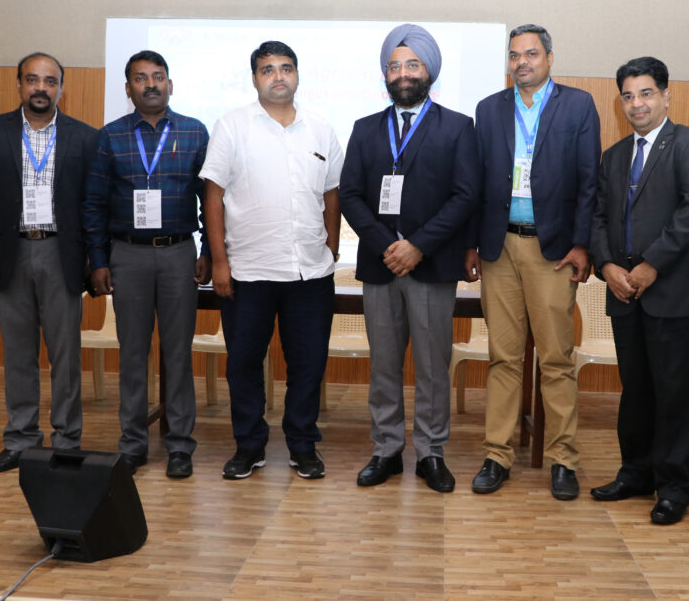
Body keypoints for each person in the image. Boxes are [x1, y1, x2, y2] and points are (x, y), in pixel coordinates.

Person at [340, 24, 480, 493]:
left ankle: (431, 453)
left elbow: (465, 196)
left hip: (432, 265)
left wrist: (418, 245)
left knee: (432, 366)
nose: (403, 74)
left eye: (412, 65)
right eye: (394, 66)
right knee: (383, 364)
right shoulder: (364, 129)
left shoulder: (457, 127)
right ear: (385, 74)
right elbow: (350, 195)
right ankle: (386, 450)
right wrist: (388, 245)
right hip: (380, 266)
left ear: (429, 72)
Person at [466, 24, 601, 500]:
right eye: (514, 55)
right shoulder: (489, 109)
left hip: (554, 251)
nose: (521, 62)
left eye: (531, 54)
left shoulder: (578, 105)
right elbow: (476, 182)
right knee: (503, 357)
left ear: (549, 58)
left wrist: (582, 244)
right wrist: (472, 243)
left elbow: (589, 180)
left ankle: (563, 460)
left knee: (556, 358)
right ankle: (497, 455)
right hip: (499, 248)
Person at [201, 41, 341, 482]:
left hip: (310, 272)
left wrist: (332, 247)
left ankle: (302, 445)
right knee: (243, 364)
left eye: (285, 68)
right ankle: (249, 446)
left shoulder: (321, 129)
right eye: (268, 69)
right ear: (255, 78)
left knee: (308, 365)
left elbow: (332, 194)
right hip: (248, 271)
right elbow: (213, 197)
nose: (278, 76)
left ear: (297, 75)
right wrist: (219, 262)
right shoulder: (232, 126)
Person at [588, 57, 689, 525]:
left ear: (666, 95)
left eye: (645, 93)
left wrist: (650, 266)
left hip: (675, 292)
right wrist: (607, 265)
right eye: (628, 96)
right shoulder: (614, 156)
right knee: (636, 391)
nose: (636, 104)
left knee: (676, 394)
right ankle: (636, 473)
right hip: (624, 293)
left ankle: (675, 489)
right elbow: (598, 216)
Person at [0, 52, 98, 473]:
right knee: (19, 353)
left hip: (61, 253)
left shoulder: (85, 137)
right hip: (9, 254)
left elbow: (92, 205)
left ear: (61, 88)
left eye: (50, 81)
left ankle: (67, 441)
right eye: (33, 80)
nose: (41, 88)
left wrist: (96, 259)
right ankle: (20, 440)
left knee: (65, 354)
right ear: (19, 84)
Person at [83, 50, 210, 479]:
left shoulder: (194, 132)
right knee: (133, 353)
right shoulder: (110, 136)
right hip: (128, 255)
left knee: (178, 353)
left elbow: (211, 200)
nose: (151, 84)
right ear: (128, 88)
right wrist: (98, 260)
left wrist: (208, 252)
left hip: (178, 253)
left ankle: (180, 446)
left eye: (158, 77)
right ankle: (133, 444)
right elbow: (94, 203)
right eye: (141, 78)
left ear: (170, 84)